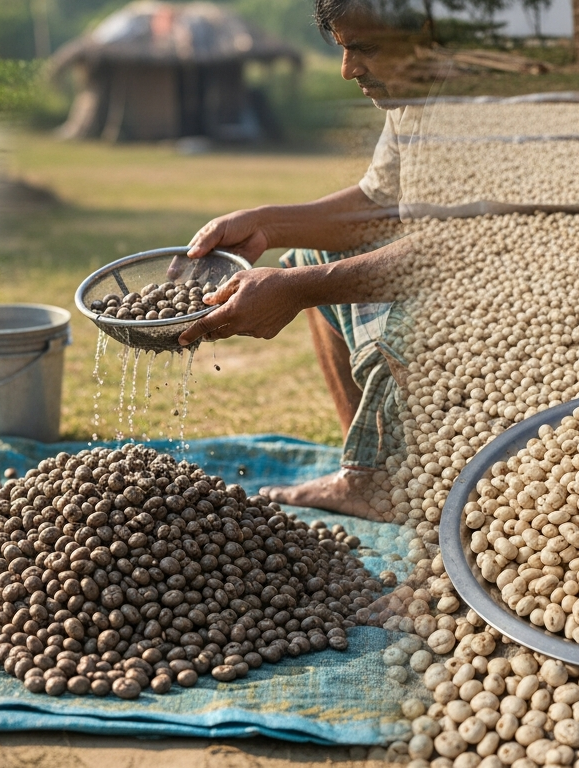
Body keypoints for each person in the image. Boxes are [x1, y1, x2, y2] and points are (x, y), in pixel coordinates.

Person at [177, 0, 423, 519]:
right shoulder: (411, 92)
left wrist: (297, 288)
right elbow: (378, 203)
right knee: (308, 257)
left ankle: (448, 473)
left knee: (396, 327)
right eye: (344, 49)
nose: (348, 69)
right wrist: (266, 224)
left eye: (366, 48)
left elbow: (455, 251)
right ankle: (367, 478)